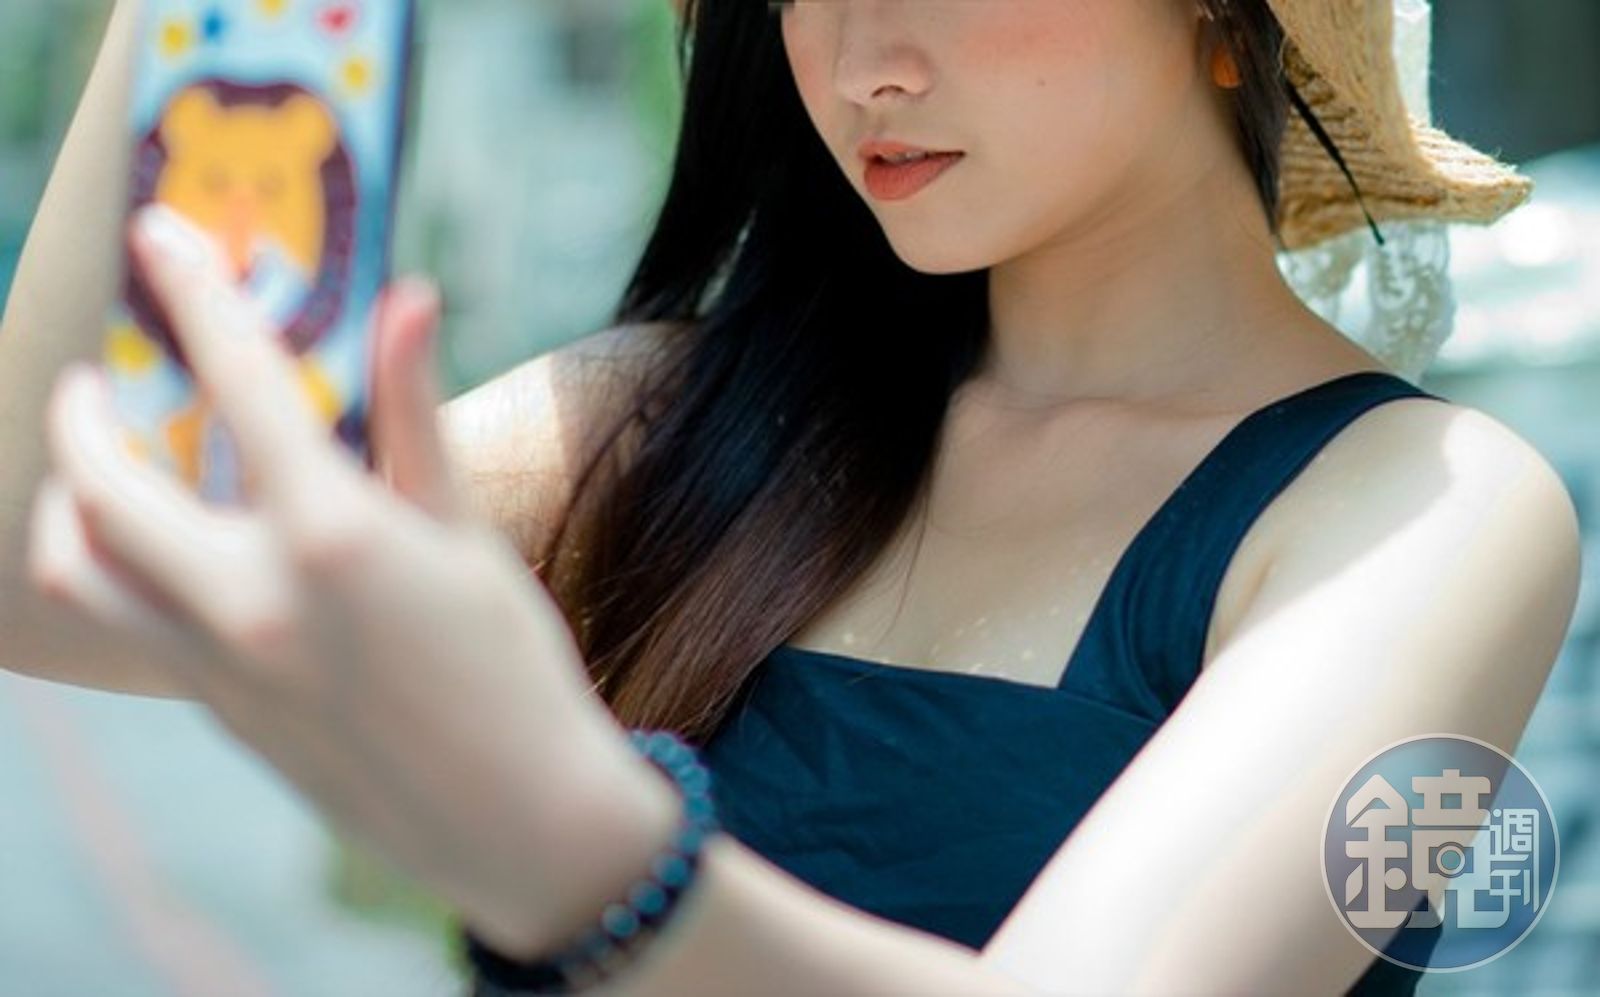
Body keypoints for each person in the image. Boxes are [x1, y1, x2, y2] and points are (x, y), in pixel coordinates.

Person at [0, 0, 1580, 993]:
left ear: (1232, 20)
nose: (858, 58)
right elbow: (46, 558)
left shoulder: (1430, 512)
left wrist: (588, 854)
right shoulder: (665, 423)